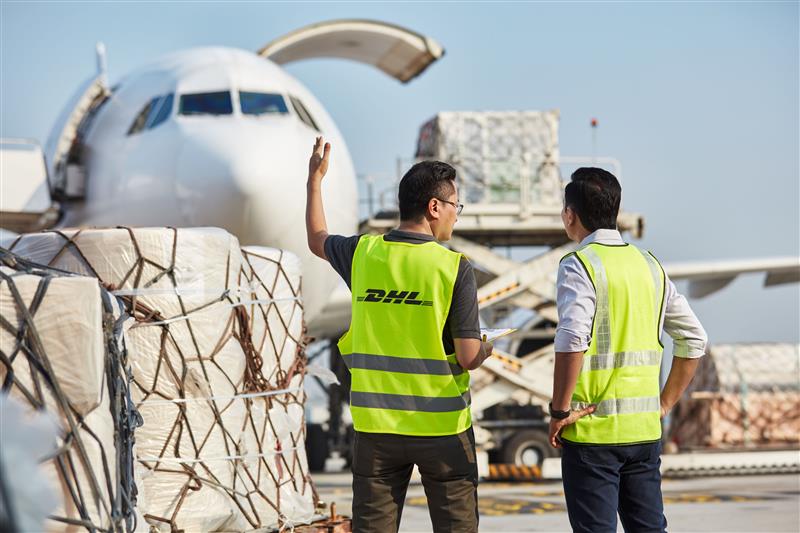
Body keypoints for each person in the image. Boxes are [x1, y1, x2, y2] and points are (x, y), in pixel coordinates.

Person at [305, 137, 493, 533]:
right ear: (434, 207)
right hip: (442, 430)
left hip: (377, 430)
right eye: (456, 206)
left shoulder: (364, 253)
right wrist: (487, 348)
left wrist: (314, 183)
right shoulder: (454, 268)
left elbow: (317, 238)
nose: (456, 216)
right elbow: (467, 356)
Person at [548, 167, 708, 533]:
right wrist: (663, 404)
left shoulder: (579, 265)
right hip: (643, 432)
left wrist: (559, 410)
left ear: (570, 215)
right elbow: (694, 339)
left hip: (592, 432)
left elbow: (572, 340)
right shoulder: (650, 265)